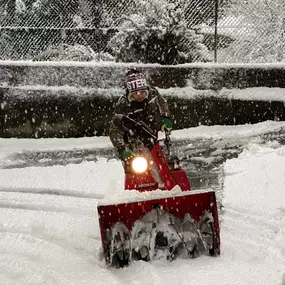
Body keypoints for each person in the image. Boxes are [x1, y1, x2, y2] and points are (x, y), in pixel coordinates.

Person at [109, 67, 172, 162]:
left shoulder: (153, 93)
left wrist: (166, 117)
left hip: (152, 133)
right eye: (136, 93)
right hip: (133, 139)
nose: (140, 95)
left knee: (160, 161)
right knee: (137, 167)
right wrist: (122, 149)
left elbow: (162, 103)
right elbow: (114, 128)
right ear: (130, 93)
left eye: (143, 92)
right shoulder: (123, 105)